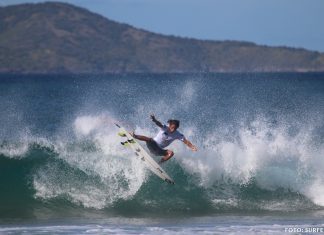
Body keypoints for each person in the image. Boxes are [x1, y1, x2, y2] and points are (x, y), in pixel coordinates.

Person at [131, 115, 197, 164]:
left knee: (171, 153)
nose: (173, 129)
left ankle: (159, 164)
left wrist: (192, 147)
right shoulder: (165, 127)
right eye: (172, 127)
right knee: (149, 139)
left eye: (175, 128)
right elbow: (159, 124)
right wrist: (154, 120)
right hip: (152, 144)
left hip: (159, 150)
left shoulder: (177, 134)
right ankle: (134, 136)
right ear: (170, 125)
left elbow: (185, 141)